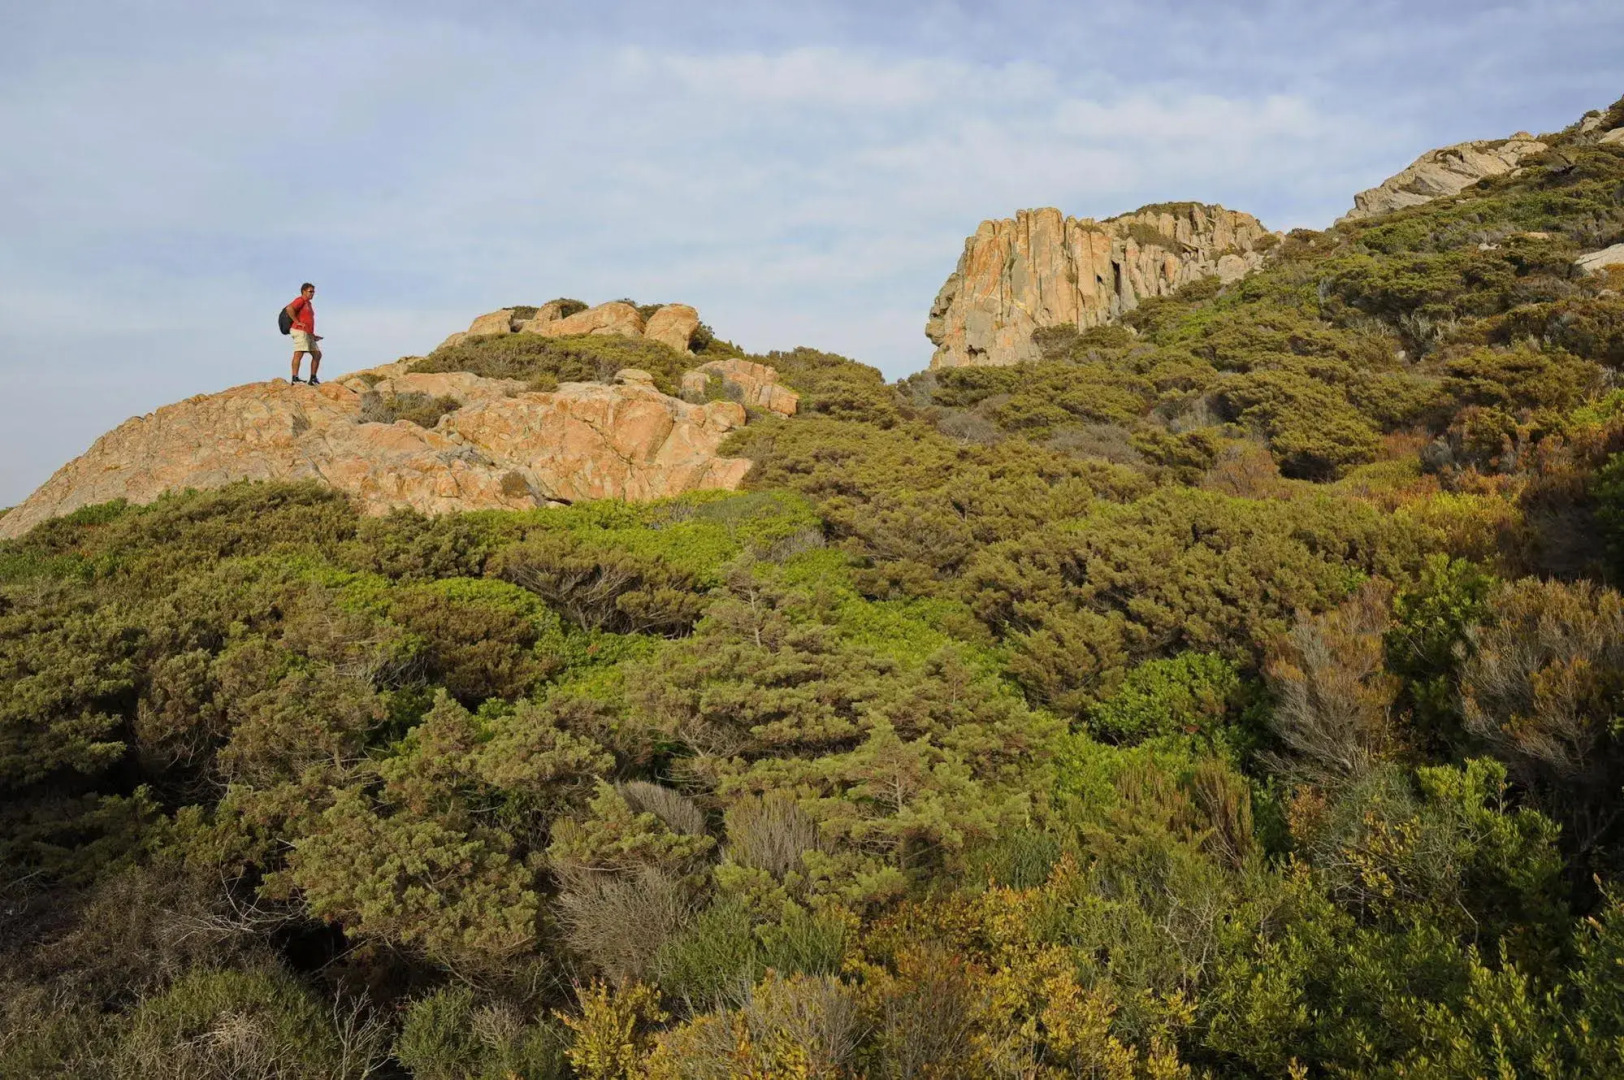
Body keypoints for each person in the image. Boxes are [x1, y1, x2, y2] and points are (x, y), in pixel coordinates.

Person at [284, 283, 322, 385]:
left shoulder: (309, 304)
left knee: (317, 354)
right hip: (299, 331)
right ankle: (295, 378)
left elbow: (307, 320)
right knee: (299, 353)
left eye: (313, 292)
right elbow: (289, 308)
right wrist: (297, 322)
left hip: (308, 333)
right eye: (310, 291)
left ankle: (313, 378)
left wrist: (313, 335)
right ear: (304, 291)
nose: (312, 293)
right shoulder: (300, 300)